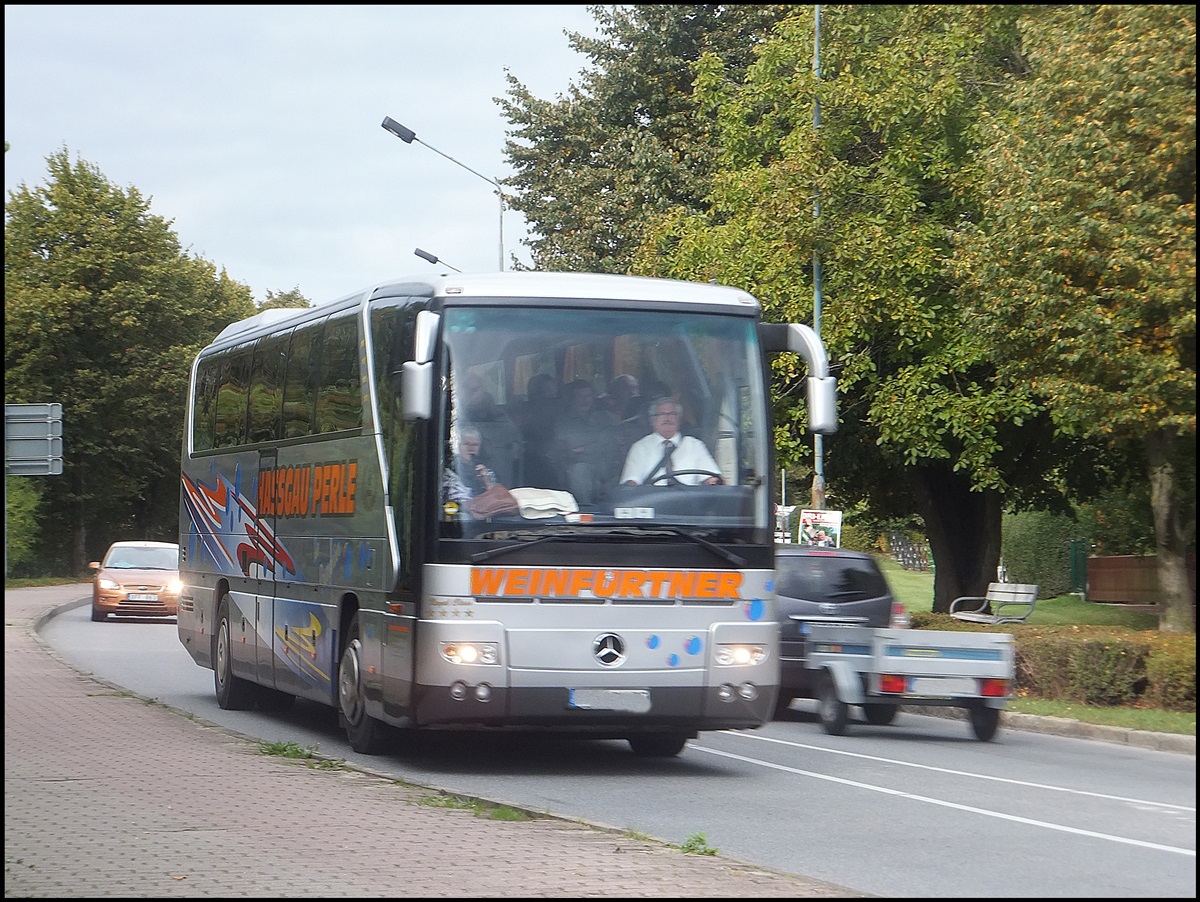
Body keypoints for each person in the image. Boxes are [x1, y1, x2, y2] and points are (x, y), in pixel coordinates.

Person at [619, 397, 723, 486]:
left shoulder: (695, 445)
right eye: (661, 414)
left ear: (679, 419)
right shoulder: (639, 448)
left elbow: (712, 479)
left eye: (672, 414)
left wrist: (715, 484)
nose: (667, 418)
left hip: (689, 505)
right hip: (653, 505)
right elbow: (630, 484)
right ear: (652, 420)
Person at [442, 424, 495, 504]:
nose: (471, 449)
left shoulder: (487, 473)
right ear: (458, 446)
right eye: (466, 444)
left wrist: (486, 482)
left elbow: (496, 501)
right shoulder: (447, 471)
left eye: (475, 445)